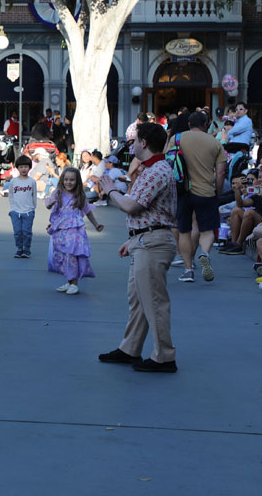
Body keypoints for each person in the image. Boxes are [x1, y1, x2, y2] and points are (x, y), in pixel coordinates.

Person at [97, 122, 179, 373]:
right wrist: (133, 239)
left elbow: (132, 205)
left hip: (152, 242)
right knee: (139, 300)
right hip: (146, 240)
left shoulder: (156, 170)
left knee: (153, 301)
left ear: (143, 143)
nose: (130, 144)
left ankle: (164, 356)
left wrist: (110, 191)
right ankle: (130, 348)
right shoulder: (153, 169)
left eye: (133, 140)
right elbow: (150, 212)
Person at [169, 111, 227, 283]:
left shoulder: (177, 138)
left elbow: (167, 162)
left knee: (184, 231)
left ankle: (188, 270)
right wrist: (217, 192)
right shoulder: (215, 143)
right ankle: (205, 253)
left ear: (189, 124)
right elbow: (221, 172)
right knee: (207, 230)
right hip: (206, 191)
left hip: (183, 191)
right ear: (206, 124)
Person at [46, 166, 104, 295]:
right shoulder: (58, 193)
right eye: (66, 179)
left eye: (72, 180)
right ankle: (69, 280)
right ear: (62, 180)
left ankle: (75, 283)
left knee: (72, 254)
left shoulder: (79, 196)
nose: (68, 182)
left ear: (77, 181)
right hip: (61, 229)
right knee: (62, 255)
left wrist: (96, 224)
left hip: (75, 230)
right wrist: (51, 215)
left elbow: (88, 211)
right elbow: (50, 206)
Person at [8, 154, 36, 258]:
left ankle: (27, 249)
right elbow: (11, 195)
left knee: (27, 232)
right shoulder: (13, 181)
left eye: (26, 167)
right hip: (16, 211)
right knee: (17, 232)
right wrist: (13, 208)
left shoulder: (32, 181)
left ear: (29, 168)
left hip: (28, 211)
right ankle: (19, 248)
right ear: (17, 168)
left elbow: (34, 195)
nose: (23, 169)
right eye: (21, 167)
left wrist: (33, 208)